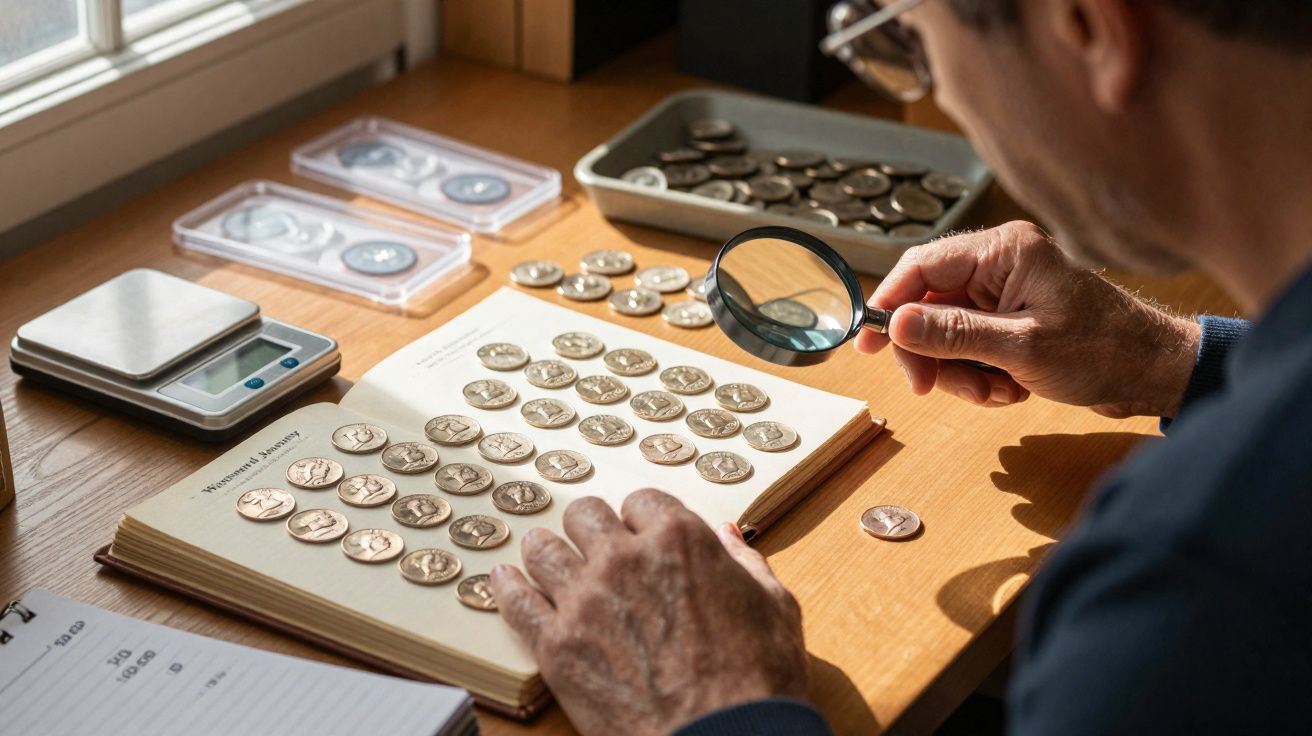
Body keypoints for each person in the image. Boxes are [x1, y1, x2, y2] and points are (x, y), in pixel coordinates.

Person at [489, 1, 1312, 734]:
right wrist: (1171, 358)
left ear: (1087, 25)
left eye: (912, 41)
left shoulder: (1184, 590)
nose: (941, 97)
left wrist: (720, 709)